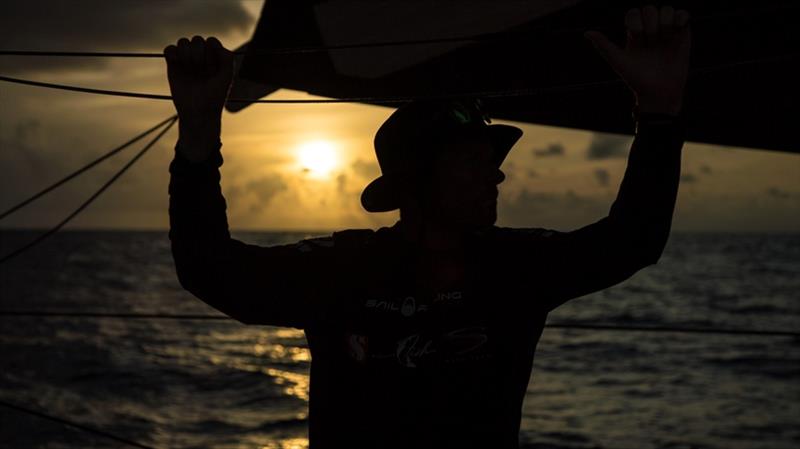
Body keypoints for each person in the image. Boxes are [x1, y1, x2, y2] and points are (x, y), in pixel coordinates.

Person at [165, 5, 690, 449]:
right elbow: (209, 270)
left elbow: (633, 239)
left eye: (493, 159)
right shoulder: (341, 270)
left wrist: (660, 112)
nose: (497, 172)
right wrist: (197, 129)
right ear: (416, 182)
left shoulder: (519, 266)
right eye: (473, 159)